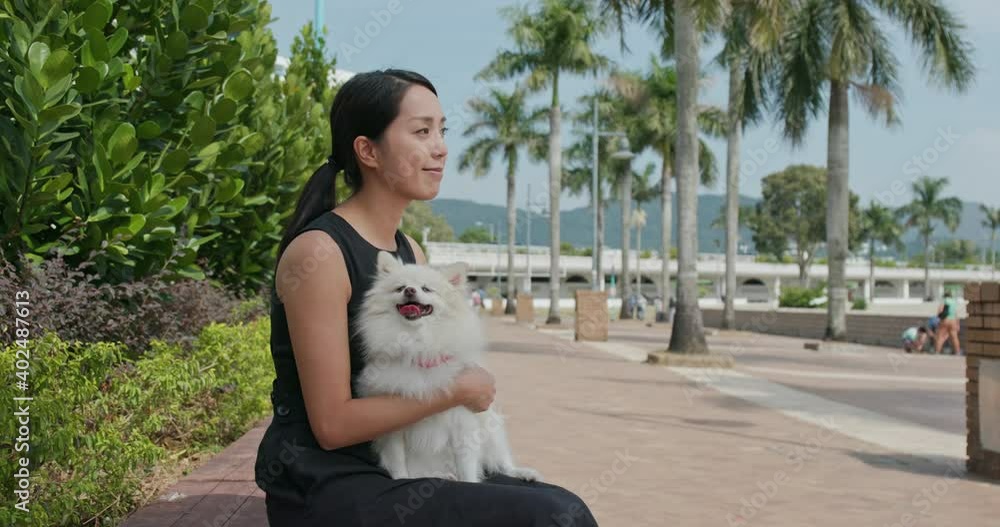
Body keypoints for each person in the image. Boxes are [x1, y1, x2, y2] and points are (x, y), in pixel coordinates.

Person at [255, 69, 598, 526]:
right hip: (329, 480)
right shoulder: (319, 254)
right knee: (557, 515)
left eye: (442, 130)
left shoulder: (407, 251)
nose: (440, 147)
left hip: (406, 465)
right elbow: (332, 425)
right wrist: (454, 389)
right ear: (368, 150)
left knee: (557, 503)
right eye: (421, 131)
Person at [933, 290, 962, 355]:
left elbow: (940, 311)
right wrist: (958, 324)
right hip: (953, 321)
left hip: (945, 320)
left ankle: (937, 352)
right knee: (954, 337)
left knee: (940, 336)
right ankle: (958, 352)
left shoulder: (944, 301)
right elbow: (956, 314)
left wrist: (939, 319)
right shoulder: (954, 302)